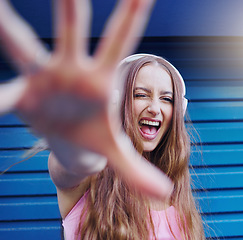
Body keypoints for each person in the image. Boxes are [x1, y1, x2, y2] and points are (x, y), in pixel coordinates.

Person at [0, 1, 205, 239]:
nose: (154, 108)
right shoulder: (88, 179)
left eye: (167, 99)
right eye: (140, 95)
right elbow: (74, 163)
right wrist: (74, 138)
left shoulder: (176, 196)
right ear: (116, 103)